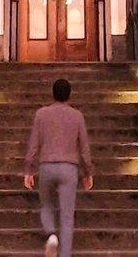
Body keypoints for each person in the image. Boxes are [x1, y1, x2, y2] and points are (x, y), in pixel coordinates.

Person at [24, 78, 94, 257]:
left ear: (52, 94)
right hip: (69, 168)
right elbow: (84, 147)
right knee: (67, 217)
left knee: (46, 204)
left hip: (46, 165)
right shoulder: (77, 116)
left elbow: (33, 144)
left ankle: (51, 234)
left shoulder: (41, 114)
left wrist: (29, 170)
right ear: (70, 95)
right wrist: (88, 172)